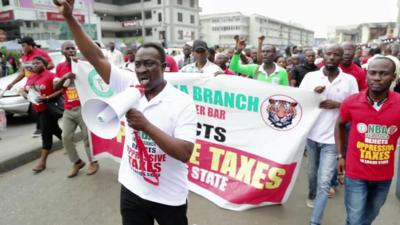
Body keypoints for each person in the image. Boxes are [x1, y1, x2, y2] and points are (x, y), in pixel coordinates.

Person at [54, 1, 197, 225]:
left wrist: (147, 126)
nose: (141, 70)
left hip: (169, 197)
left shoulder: (183, 103)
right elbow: (97, 58)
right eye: (138, 64)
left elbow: (184, 152)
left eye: (149, 64)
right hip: (131, 189)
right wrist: (70, 18)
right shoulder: (128, 83)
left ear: (164, 66)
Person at [335, 57, 400, 225]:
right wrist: (340, 155)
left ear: (393, 77)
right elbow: (339, 124)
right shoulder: (351, 102)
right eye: (373, 73)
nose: (377, 78)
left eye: (384, 74)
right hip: (356, 173)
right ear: (366, 75)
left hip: (384, 175)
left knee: (370, 215)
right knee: (356, 219)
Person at [299, 44, 358, 225]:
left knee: (324, 181)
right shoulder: (310, 77)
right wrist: (312, 95)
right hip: (311, 136)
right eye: (328, 54)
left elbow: (355, 106)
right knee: (312, 174)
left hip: (333, 140)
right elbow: (298, 101)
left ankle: (315, 221)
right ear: (322, 56)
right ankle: (311, 193)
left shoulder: (349, 80)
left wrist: (338, 104)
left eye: (336, 55)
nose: (332, 57)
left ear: (341, 58)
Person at [54, 41, 99, 178]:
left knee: (87, 138)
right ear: (62, 52)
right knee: (66, 137)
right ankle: (77, 162)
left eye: (73, 48)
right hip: (68, 109)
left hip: (83, 107)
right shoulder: (60, 67)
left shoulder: (83, 65)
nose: (71, 50)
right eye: (67, 48)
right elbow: (57, 87)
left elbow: (94, 81)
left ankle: (93, 162)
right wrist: (65, 77)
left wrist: (79, 65)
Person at [6, 36, 54, 137]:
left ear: (31, 45)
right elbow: (23, 73)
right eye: (22, 46)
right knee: (37, 105)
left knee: (39, 105)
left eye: (24, 46)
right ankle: (45, 127)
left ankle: (41, 128)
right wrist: (12, 83)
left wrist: (38, 68)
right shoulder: (24, 56)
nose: (22, 48)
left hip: (41, 82)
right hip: (30, 83)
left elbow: (51, 65)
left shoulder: (41, 53)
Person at [23, 56, 62, 173]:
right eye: (33, 64)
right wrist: (24, 93)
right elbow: (26, 91)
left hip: (49, 109)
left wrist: (48, 97)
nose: (35, 65)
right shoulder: (31, 77)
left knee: (46, 134)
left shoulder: (51, 76)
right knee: (55, 130)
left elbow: (61, 90)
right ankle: (69, 143)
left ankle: (42, 162)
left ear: (44, 64)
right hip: (38, 110)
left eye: (38, 63)